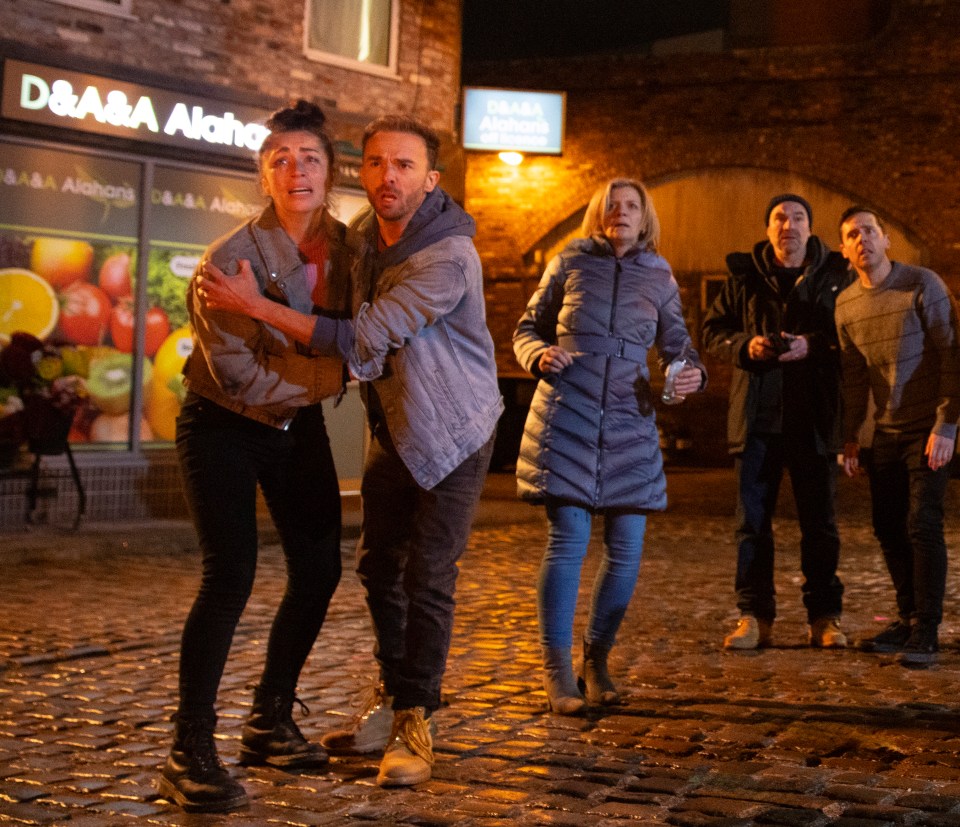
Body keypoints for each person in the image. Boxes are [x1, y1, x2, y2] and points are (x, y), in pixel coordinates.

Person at [197, 115, 503, 786]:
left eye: (402, 165)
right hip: (393, 425)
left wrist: (257, 306)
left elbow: (365, 335)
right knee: (375, 566)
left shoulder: (448, 255)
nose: (387, 176)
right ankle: (394, 694)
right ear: (359, 172)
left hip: (454, 431)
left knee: (429, 575)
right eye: (375, 163)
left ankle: (416, 721)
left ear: (430, 179)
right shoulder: (362, 239)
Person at [158, 100, 357, 813]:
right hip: (222, 424)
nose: (296, 170)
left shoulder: (353, 251)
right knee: (230, 574)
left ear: (330, 170)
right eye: (280, 159)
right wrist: (340, 363)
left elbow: (369, 329)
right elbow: (239, 372)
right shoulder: (229, 257)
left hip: (296, 427)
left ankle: (269, 719)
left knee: (320, 567)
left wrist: (333, 350)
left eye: (309, 158)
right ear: (263, 173)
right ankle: (190, 748)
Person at [513, 178, 706, 714]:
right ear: (597, 215)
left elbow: (679, 349)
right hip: (566, 414)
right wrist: (536, 354)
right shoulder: (568, 262)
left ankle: (596, 662)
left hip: (629, 419)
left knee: (626, 549)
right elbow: (526, 327)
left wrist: (689, 375)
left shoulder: (659, 274)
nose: (620, 213)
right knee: (568, 539)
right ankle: (557, 676)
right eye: (611, 206)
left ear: (644, 218)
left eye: (630, 207)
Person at [702, 194, 852, 651]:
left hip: (813, 420)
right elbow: (712, 332)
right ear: (768, 229)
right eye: (779, 218)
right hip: (757, 419)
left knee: (820, 525)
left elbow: (850, 336)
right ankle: (754, 617)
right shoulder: (744, 275)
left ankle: (824, 617)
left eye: (798, 217)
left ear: (811, 227)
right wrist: (746, 347)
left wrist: (816, 346)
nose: (788, 225)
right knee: (752, 525)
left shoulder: (836, 275)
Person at [835, 206, 960, 666]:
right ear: (845, 251)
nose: (862, 238)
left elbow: (952, 353)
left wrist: (947, 425)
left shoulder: (922, 283)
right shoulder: (845, 304)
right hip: (885, 429)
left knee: (922, 523)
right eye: (852, 234)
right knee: (887, 526)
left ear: (886, 240)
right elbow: (853, 377)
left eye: (870, 230)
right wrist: (850, 435)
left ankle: (927, 629)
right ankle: (907, 618)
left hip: (929, 428)